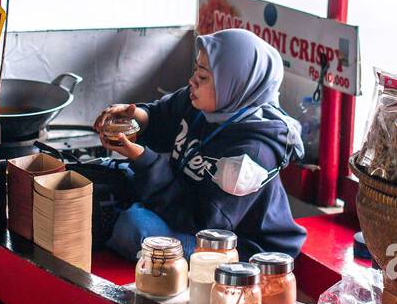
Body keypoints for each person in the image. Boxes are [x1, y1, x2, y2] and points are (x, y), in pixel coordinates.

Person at [95, 29, 307, 260]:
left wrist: (144, 161)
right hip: (181, 205)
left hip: (235, 244)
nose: (192, 81)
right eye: (196, 69)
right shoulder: (204, 102)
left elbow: (203, 224)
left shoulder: (252, 156)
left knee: (136, 228)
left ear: (232, 84)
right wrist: (137, 118)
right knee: (106, 173)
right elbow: (162, 116)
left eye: (203, 77)